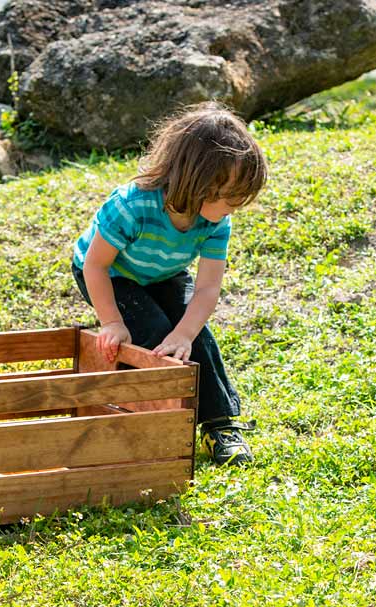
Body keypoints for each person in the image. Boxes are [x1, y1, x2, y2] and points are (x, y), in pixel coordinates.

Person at [71, 102, 268, 466]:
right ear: (199, 181)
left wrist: (186, 333)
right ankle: (142, 419)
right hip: (111, 275)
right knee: (151, 332)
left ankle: (220, 426)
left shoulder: (216, 220)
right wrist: (113, 322)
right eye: (231, 196)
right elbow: (95, 266)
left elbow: (208, 287)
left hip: (162, 274)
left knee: (194, 337)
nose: (236, 206)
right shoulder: (133, 205)